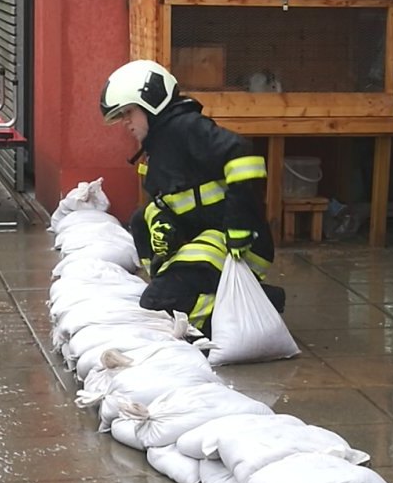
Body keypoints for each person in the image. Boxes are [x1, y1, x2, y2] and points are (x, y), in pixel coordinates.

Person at [98, 60, 284, 334]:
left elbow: (244, 155)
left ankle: (246, 313)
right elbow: (170, 200)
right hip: (206, 238)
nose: (125, 122)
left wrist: (239, 226)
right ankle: (184, 287)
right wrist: (162, 220)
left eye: (129, 112)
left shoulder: (186, 128)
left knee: (158, 302)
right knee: (140, 221)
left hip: (235, 245)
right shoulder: (159, 143)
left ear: (152, 101)